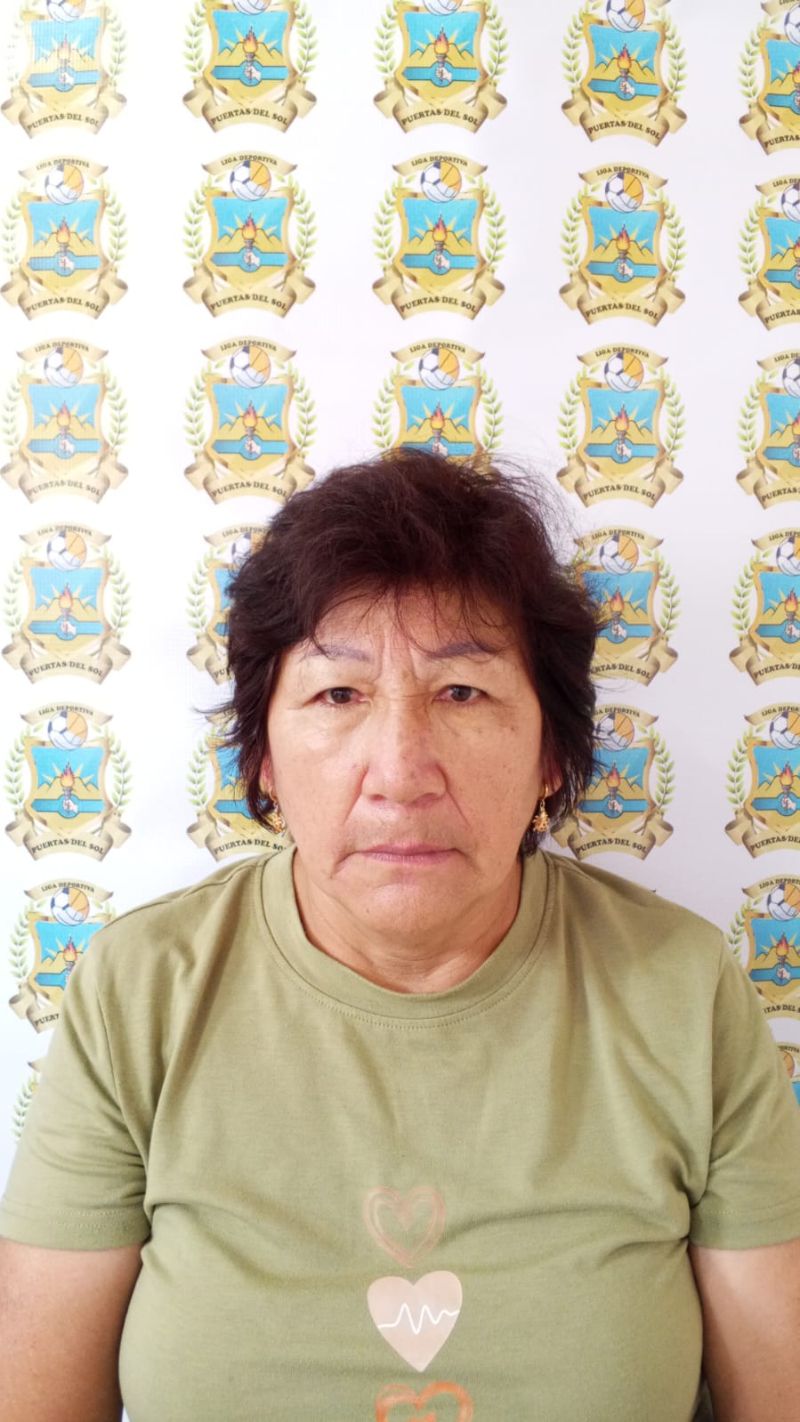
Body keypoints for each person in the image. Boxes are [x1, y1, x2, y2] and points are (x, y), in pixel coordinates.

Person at [1, 451, 800, 1422]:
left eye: (461, 692)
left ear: (551, 753)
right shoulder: (141, 992)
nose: (399, 770)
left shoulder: (680, 988)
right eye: (337, 696)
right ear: (263, 758)